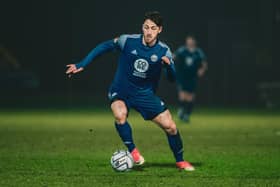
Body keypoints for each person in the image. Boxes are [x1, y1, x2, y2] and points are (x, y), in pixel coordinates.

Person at [66, 11, 194, 171]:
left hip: (144, 95)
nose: (148, 31)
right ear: (142, 27)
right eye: (146, 27)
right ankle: (133, 152)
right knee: (119, 115)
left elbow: (172, 78)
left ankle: (180, 161)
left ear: (160, 30)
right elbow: (104, 46)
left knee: (171, 127)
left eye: (153, 28)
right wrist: (82, 63)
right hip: (121, 90)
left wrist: (168, 67)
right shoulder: (127, 40)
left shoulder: (164, 51)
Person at [174, 35, 207, 123]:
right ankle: (181, 110)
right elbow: (174, 56)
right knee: (182, 94)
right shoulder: (182, 50)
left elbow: (204, 63)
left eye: (191, 40)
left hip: (192, 77)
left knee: (190, 96)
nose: (189, 42)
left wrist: (201, 70)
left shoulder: (198, 52)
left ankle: (187, 115)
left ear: (194, 42)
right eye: (188, 40)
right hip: (182, 76)